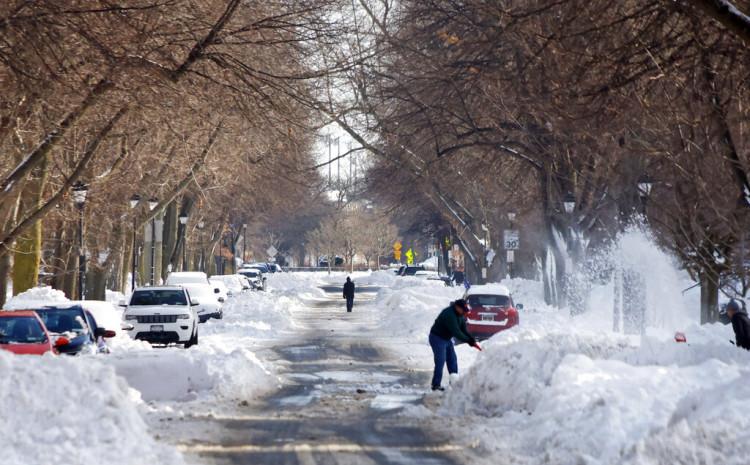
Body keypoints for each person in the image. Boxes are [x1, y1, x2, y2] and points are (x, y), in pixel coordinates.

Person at [428, 299, 481, 391]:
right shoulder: (449, 314)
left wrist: (471, 339)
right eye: (463, 310)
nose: (464, 312)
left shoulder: (460, 314)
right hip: (437, 338)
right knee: (440, 361)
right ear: (457, 307)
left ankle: (454, 383)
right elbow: (456, 332)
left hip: (446, 339)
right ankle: (436, 385)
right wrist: (468, 341)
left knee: (452, 359)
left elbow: (463, 329)